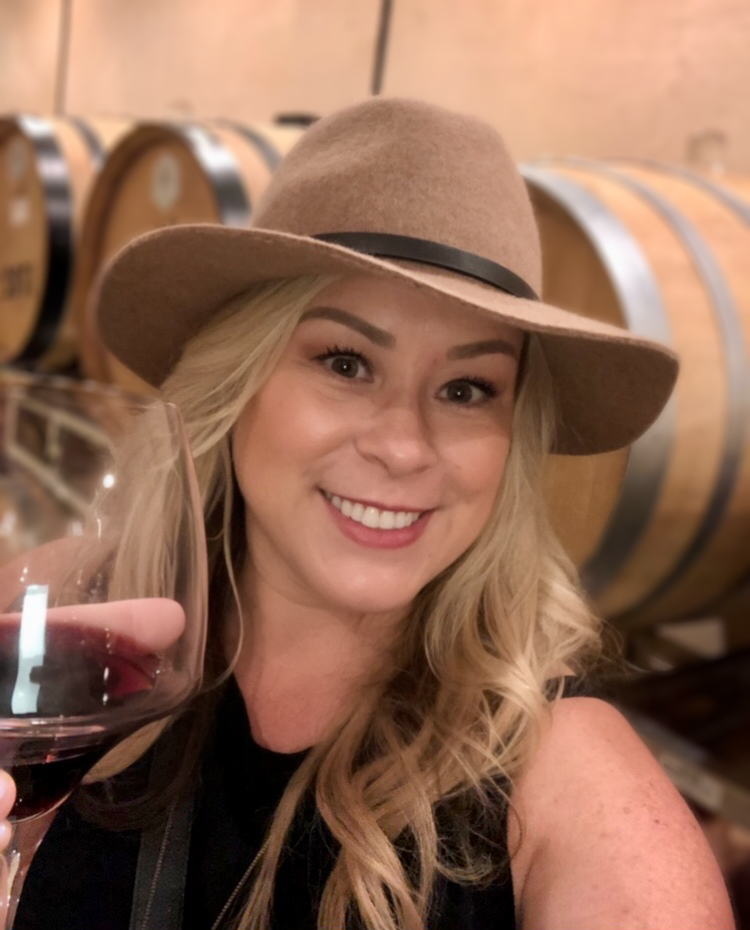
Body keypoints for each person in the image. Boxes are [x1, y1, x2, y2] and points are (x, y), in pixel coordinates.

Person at [6, 97, 735, 929]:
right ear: (238, 383)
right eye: (346, 363)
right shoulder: (67, 611)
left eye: (467, 390)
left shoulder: (577, 788)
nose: (403, 446)